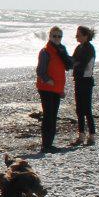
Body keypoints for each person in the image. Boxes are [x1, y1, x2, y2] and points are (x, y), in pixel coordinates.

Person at [34, 26, 72, 154]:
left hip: (56, 89)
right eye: (54, 36)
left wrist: (60, 88)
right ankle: (46, 145)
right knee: (48, 116)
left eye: (59, 36)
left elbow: (68, 66)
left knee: (53, 116)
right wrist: (48, 80)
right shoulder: (45, 51)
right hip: (46, 88)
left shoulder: (61, 50)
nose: (57, 38)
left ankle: (49, 144)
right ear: (49, 36)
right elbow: (40, 71)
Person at [69, 26, 97, 146]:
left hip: (86, 80)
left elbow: (81, 63)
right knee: (79, 109)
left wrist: (74, 63)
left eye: (79, 34)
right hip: (79, 80)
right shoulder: (79, 47)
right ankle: (81, 135)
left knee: (87, 109)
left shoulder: (89, 48)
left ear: (86, 36)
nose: (77, 36)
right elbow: (73, 61)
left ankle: (92, 135)